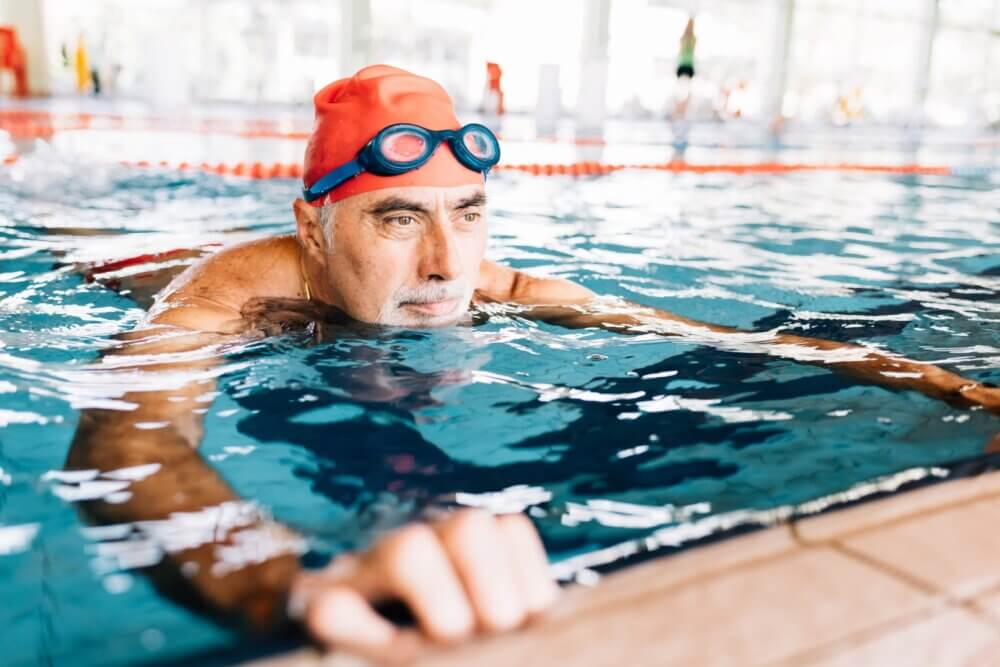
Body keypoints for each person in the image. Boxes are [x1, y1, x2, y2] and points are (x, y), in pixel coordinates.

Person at [68, 65, 1000, 664]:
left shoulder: (496, 280)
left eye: (467, 212)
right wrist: (280, 579)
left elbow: (704, 334)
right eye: (399, 217)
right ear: (314, 226)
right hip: (130, 266)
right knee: (90, 249)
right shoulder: (227, 293)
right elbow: (127, 435)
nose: (446, 267)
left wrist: (931, 378)